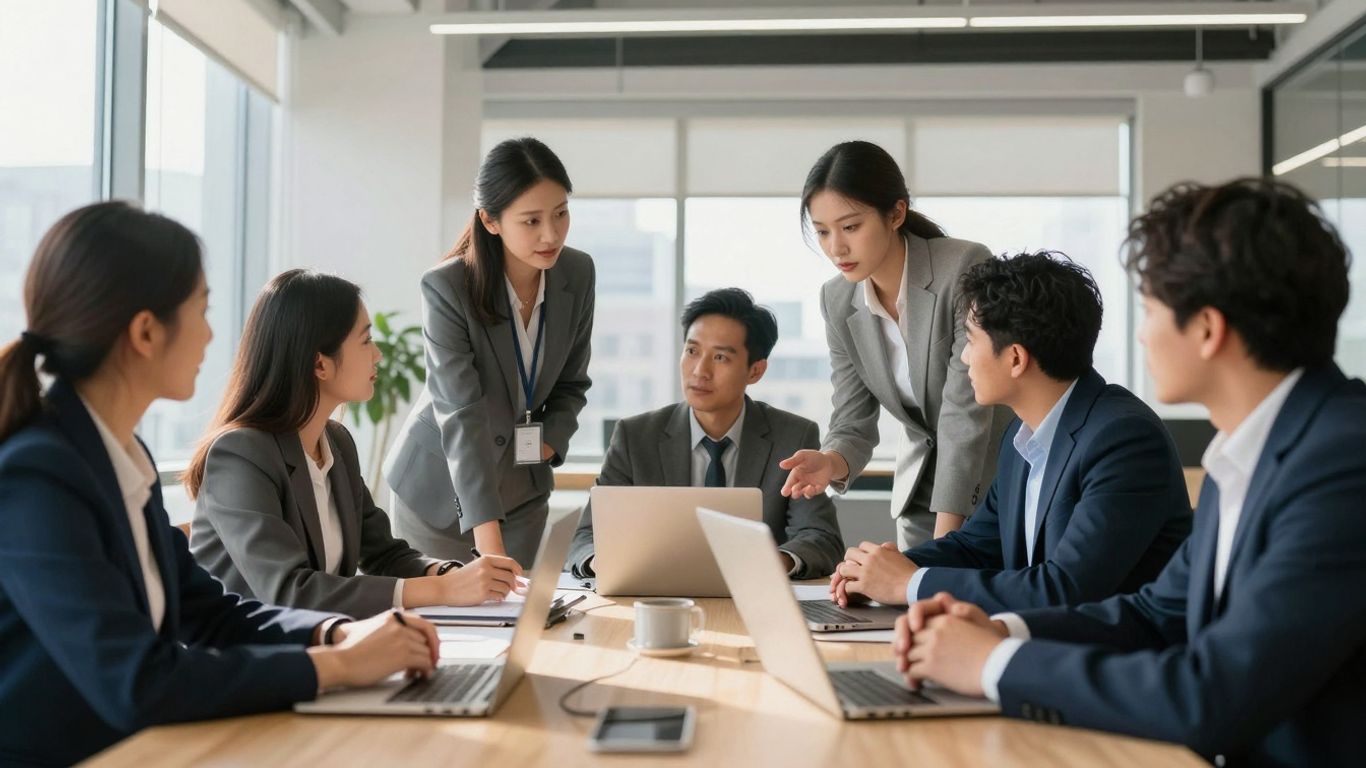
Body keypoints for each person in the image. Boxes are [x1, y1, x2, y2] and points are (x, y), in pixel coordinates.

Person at [892, 178, 1366, 766]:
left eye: (1149, 310)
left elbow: (1213, 694)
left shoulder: (1343, 464)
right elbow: (1154, 614)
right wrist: (1003, 633)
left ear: (1207, 329)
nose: (1140, 334)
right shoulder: (1244, 451)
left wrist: (991, 665)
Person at [0, 202, 440, 766]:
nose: (212, 335)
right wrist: (336, 667)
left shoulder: (121, 454)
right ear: (145, 331)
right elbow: (139, 680)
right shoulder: (38, 476)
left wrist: (334, 635)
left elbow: (214, 613)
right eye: (203, 309)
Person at [830, 252, 1191, 614]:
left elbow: (1065, 588)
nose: (966, 358)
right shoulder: (1022, 433)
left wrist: (908, 584)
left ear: (1016, 358)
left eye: (971, 341)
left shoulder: (1123, 439)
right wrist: (876, 572)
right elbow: (977, 546)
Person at [185, 270, 523, 617]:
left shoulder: (337, 443)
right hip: (251, 657)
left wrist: (449, 574)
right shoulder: (241, 454)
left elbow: (383, 554)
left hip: (325, 642)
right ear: (320, 364)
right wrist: (441, 590)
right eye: (365, 340)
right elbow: (288, 590)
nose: (377, 354)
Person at [780, 140, 1010, 548]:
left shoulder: (963, 267)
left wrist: (944, 550)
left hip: (992, 483)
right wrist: (830, 461)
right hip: (919, 492)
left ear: (896, 213)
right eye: (822, 231)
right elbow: (852, 419)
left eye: (851, 227)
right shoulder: (837, 300)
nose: (836, 247)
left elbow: (965, 412)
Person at [384, 137, 594, 566]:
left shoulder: (577, 272)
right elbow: (460, 412)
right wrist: (489, 544)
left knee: (521, 620)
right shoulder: (448, 287)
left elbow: (572, 382)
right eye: (531, 221)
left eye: (560, 213)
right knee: (451, 626)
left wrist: (549, 441)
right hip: (441, 495)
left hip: (522, 488)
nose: (550, 234)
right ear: (491, 220)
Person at [567, 288, 845, 579]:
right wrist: (605, 563)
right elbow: (586, 538)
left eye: (721, 358)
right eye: (692, 351)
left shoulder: (792, 438)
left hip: (751, 599)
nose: (700, 371)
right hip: (655, 597)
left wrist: (772, 562)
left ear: (755, 371)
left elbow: (821, 538)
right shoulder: (635, 437)